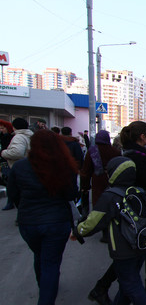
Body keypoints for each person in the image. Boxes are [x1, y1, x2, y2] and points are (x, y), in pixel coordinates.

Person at [87, 121, 146, 305]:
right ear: (143, 137)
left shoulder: (130, 152)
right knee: (139, 253)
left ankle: (103, 288)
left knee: (131, 258)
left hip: (131, 208)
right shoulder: (140, 156)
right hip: (139, 211)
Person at [7, 129, 79, 305]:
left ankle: (44, 287)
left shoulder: (19, 166)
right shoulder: (64, 165)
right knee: (51, 263)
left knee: (39, 256)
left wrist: (25, 207)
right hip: (57, 222)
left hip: (29, 222)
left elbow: (13, 194)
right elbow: (71, 194)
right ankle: (46, 296)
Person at [74, 156, 146, 305]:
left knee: (131, 285)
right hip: (141, 246)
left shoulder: (110, 196)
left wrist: (77, 231)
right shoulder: (140, 191)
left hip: (123, 250)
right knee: (128, 281)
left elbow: (93, 223)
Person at [79, 130, 121, 216]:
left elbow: (86, 170)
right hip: (113, 179)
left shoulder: (92, 150)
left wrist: (85, 187)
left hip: (97, 180)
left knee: (98, 203)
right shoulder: (115, 151)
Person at [1, 118, 33, 210]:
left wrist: (3, 153)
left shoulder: (19, 136)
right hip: (29, 167)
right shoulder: (30, 135)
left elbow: (17, 152)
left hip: (19, 167)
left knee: (17, 192)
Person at [0, 119, 14, 186]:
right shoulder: (2, 137)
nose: (1, 130)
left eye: (2, 128)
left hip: (7, 161)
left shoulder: (8, 138)